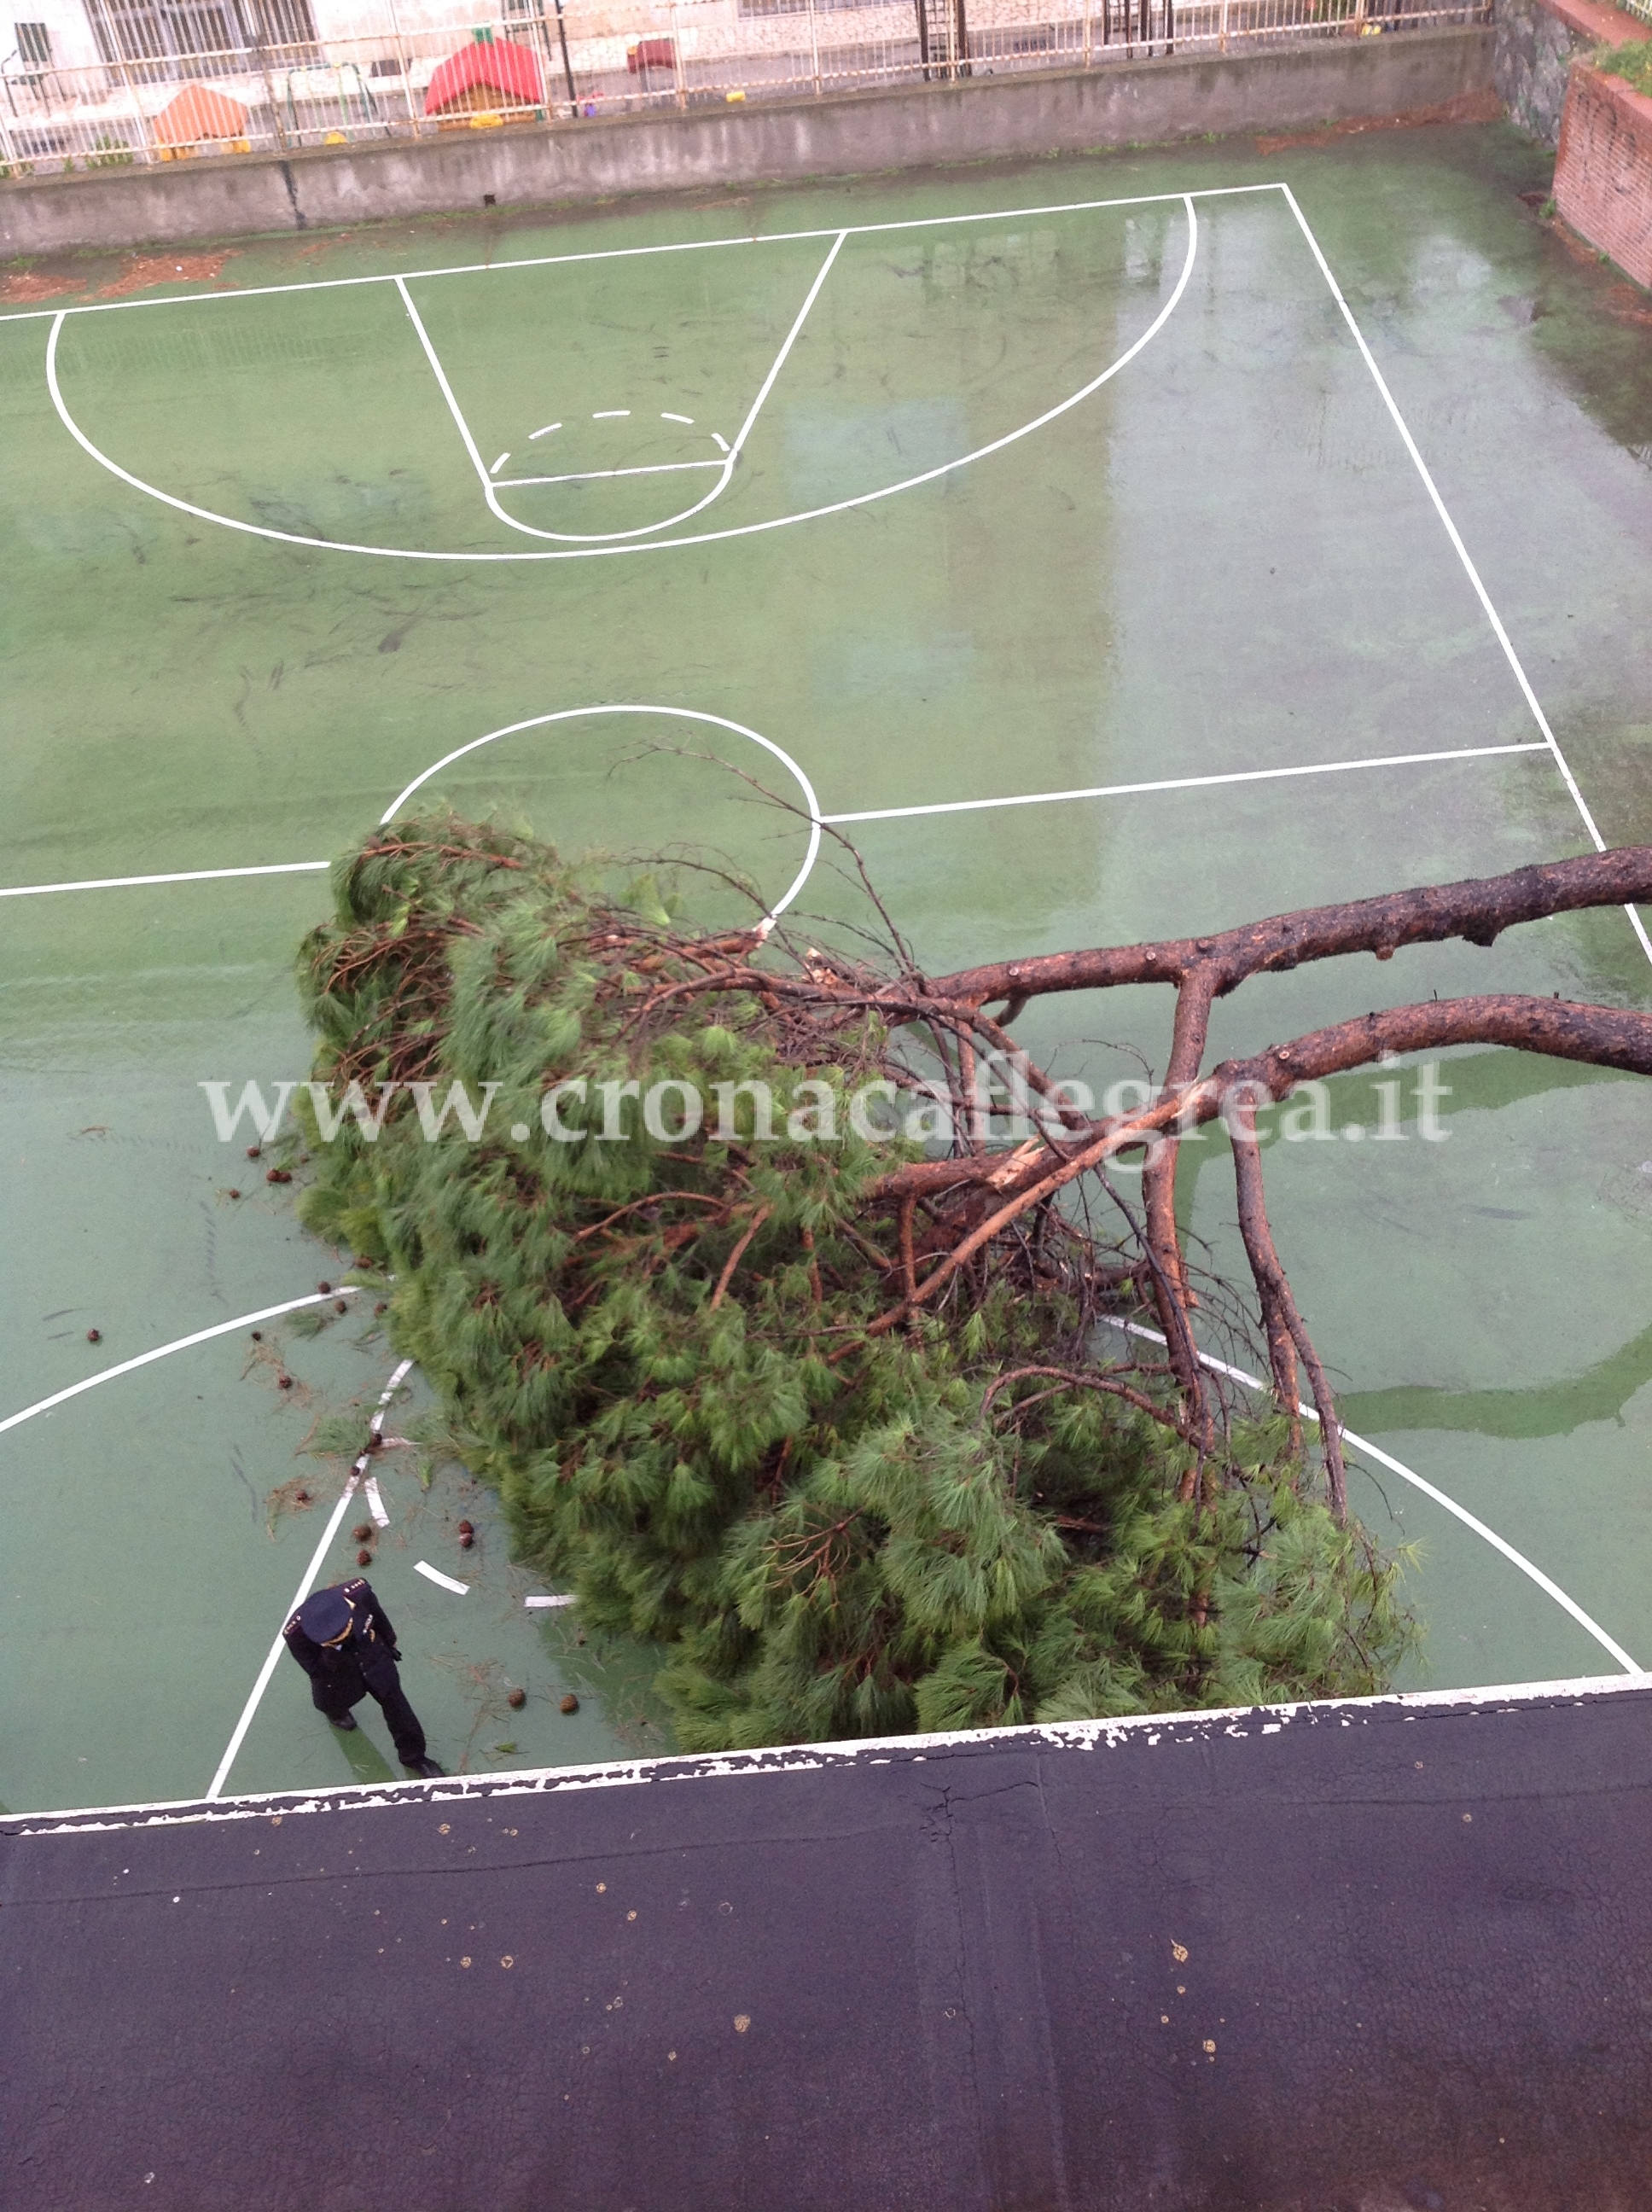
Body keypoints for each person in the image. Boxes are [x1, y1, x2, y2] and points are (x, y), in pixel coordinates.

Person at [283, 1578, 443, 1778]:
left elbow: (379, 1619)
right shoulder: (295, 1634)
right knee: (329, 1701)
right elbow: (316, 1670)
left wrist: (390, 1644)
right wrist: (332, 1652)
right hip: (337, 1673)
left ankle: (414, 1757)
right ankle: (335, 1712)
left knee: (399, 1710)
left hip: (374, 1658)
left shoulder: (360, 1594)